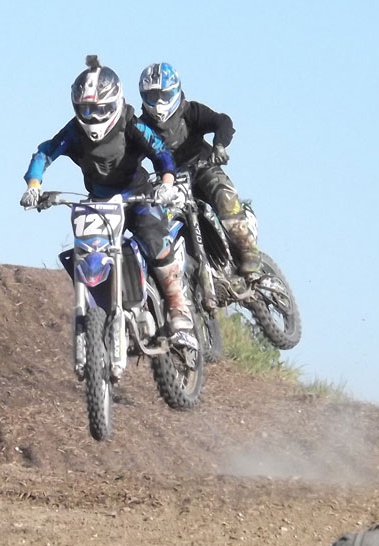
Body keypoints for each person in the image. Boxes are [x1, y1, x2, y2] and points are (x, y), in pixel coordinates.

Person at [20, 56, 195, 336]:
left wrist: (167, 183)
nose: (93, 116)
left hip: (138, 197)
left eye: (100, 109)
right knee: (87, 252)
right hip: (99, 204)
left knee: (154, 240)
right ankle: (105, 307)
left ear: (115, 102)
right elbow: (45, 152)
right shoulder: (74, 132)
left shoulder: (130, 123)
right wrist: (34, 186)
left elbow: (160, 152)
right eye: (86, 109)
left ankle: (177, 305)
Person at [138, 62, 261, 277]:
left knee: (222, 193)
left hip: (203, 167)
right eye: (152, 96)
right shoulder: (141, 127)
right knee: (155, 220)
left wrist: (220, 145)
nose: (158, 103)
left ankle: (248, 251)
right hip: (169, 182)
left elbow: (222, 121)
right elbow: (130, 156)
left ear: (175, 92)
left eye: (164, 96)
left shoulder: (190, 111)